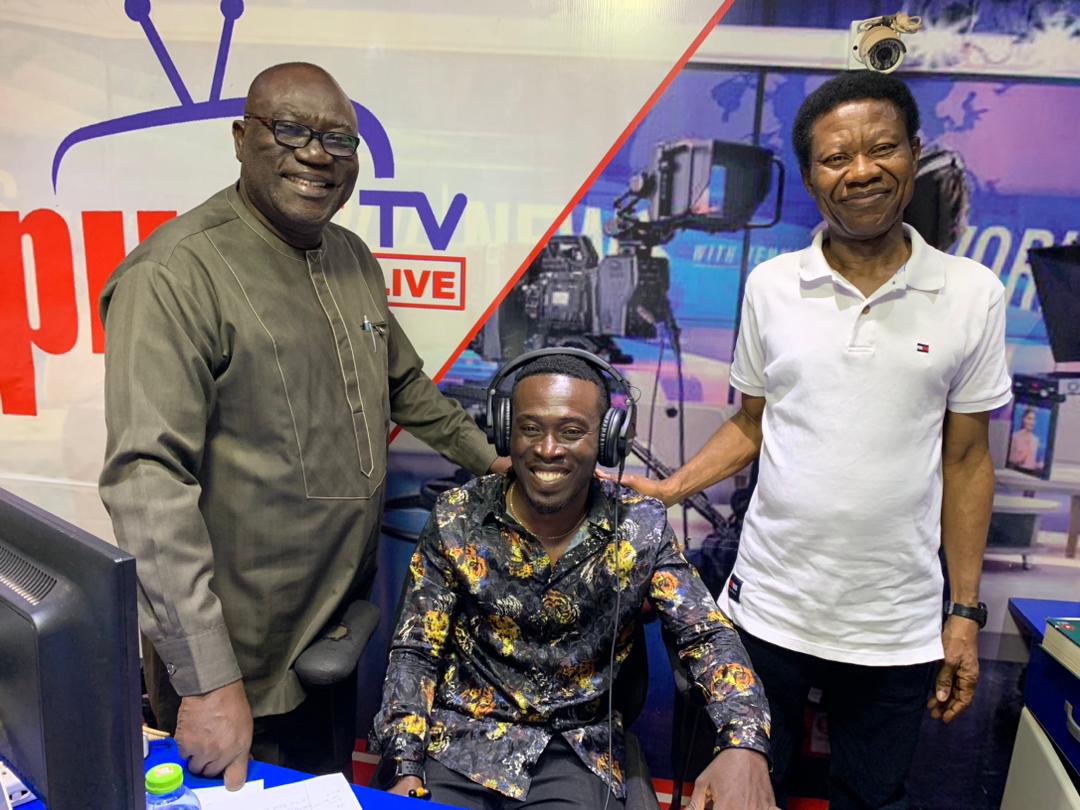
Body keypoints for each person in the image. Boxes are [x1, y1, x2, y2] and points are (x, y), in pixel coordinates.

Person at [99, 62, 505, 788]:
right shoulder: (174, 276)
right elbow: (146, 484)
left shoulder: (349, 257)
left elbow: (402, 381)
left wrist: (491, 462)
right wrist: (206, 679)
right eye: (290, 130)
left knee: (323, 791)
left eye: (339, 141)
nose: (317, 155)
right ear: (240, 137)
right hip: (238, 659)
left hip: (334, 631)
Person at [613, 71, 1011, 809]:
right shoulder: (771, 286)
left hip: (894, 625)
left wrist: (963, 613)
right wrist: (673, 490)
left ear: (913, 153)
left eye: (881, 149)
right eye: (836, 158)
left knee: (871, 797)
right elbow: (750, 422)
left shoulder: (971, 294)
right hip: (767, 612)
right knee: (740, 793)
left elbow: (967, 460)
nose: (861, 171)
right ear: (809, 176)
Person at [372, 352, 776, 810]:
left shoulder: (639, 525)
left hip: (573, 751)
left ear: (607, 441)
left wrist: (744, 741)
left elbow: (706, 634)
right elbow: (416, 652)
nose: (547, 448)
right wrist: (404, 766)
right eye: (529, 428)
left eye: (571, 431)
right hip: (457, 744)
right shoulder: (457, 516)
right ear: (505, 432)